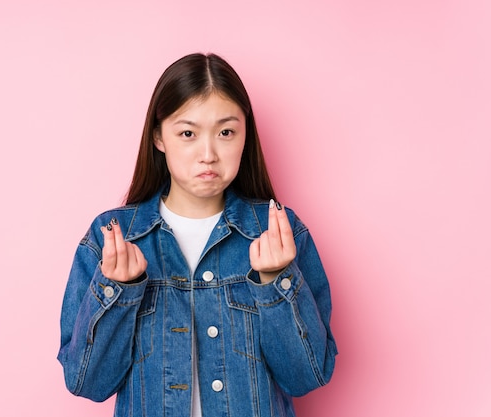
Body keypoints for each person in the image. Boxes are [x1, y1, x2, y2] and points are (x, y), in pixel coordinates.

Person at [58, 52, 337, 417]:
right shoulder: (112, 237)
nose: (208, 154)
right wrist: (118, 292)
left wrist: (275, 280)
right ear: (159, 137)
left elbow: (308, 377)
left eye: (225, 132)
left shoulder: (279, 233)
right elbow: (86, 383)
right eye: (187, 133)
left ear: (244, 136)